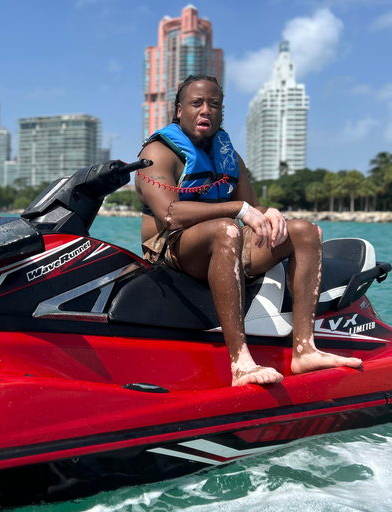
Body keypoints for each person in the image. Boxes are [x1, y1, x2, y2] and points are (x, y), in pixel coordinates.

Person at [135, 75, 362, 387]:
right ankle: (241, 363)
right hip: (171, 248)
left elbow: (253, 207)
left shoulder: (229, 157)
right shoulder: (158, 153)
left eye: (214, 105)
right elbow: (170, 215)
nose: (206, 111)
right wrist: (237, 209)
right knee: (227, 229)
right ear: (178, 110)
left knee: (306, 232)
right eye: (197, 103)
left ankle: (305, 350)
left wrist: (270, 213)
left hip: (221, 242)